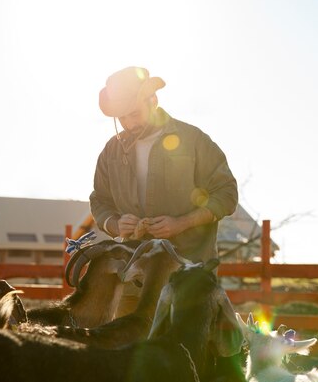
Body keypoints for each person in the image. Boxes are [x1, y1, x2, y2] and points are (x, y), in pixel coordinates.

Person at [90, 66, 238, 263]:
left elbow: (227, 194)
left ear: (153, 100)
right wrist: (115, 225)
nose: (129, 124)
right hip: (134, 268)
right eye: (122, 117)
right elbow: (100, 200)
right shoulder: (111, 150)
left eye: (134, 114)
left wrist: (182, 223)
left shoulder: (194, 140)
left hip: (189, 268)